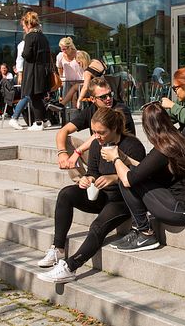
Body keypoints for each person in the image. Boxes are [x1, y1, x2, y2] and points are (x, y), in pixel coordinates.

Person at [37, 107, 146, 283]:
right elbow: (93, 171)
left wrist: (114, 177)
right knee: (66, 194)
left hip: (123, 200)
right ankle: (58, 248)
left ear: (115, 129)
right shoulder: (96, 144)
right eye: (94, 132)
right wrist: (87, 179)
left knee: (97, 227)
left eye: (101, 133)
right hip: (101, 195)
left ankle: (70, 267)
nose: (97, 136)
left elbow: (139, 176)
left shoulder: (132, 145)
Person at [105, 101, 185, 252]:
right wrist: (125, 158)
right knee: (131, 173)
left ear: (147, 128)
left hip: (181, 211)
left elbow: (129, 179)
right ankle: (140, 230)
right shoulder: (176, 141)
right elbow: (144, 169)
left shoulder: (163, 150)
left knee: (125, 179)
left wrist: (115, 158)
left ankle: (145, 233)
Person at [55, 78, 136, 181]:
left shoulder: (120, 110)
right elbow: (63, 130)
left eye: (110, 94)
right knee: (67, 141)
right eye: (103, 97)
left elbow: (100, 135)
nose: (108, 99)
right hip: (99, 154)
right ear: (93, 99)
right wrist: (62, 153)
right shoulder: (91, 110)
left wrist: (78, 151)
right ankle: (82, 181)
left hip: (120, 156)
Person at [21, 11, 52, 131]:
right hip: (42, 70)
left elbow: (27, 54)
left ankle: (38, 122)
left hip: (33, 71)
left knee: (34, 96)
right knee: (39, 96)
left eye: (24, 25)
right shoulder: (43, 37)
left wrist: (23, 53)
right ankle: (44, 120)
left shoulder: (30, 36)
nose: (23, 28)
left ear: (28, 24)